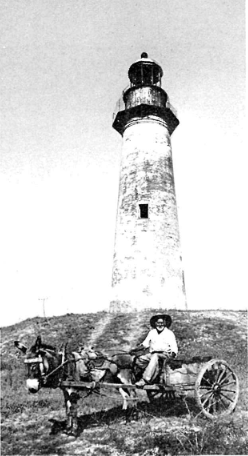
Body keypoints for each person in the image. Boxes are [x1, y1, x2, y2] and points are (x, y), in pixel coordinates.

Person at [133, 314, 178, 387]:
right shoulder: (152, 332)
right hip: (153, 354)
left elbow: (174, 347)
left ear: (165, 323)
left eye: (162, 323)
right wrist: (135, 350)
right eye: (158, 323)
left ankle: (145, 379)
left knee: (155, 356)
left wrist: (173, 354)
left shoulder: (169, 333)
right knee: (139, 359)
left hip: (165, 354)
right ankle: (152, 375)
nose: (160, 325)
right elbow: (145, 344)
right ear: (155, 323)